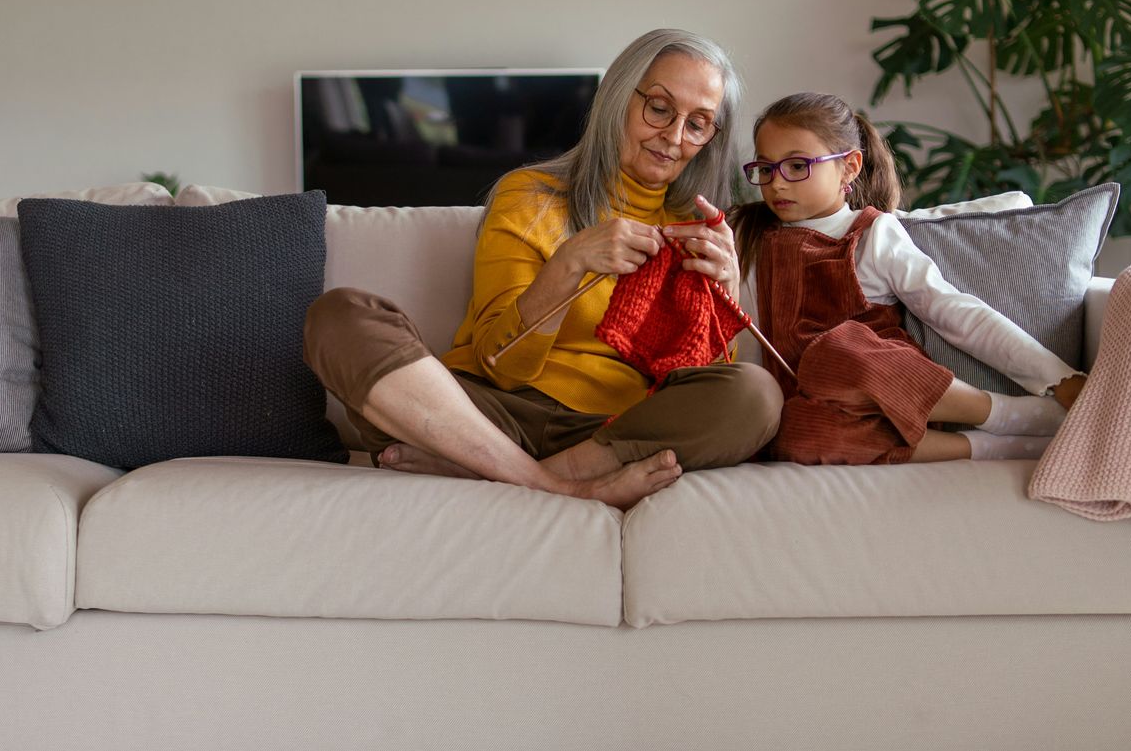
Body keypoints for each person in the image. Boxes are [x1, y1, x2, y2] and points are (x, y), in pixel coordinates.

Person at [304, 29, 784, 509]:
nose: (675, 137)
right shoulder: (530, 195)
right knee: (339, 315)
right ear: (617, 97)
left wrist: (726, 295)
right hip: (484, 412)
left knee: (758, 393)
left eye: (698, 124)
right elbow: (501, 366)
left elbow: (692, 391)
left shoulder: (696, 230)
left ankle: (500, 470)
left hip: (612, 433)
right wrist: (569, 264)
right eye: (659, 108)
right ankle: (547, 484)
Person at [727, 91, 1087, 464]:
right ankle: (997, 448)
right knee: (797, 435)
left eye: (798, 166)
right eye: (766, 169)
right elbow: (746, 335)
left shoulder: (872, 232)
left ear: (849, 167)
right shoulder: (752, 235)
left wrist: (1058, 377)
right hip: (813, 402)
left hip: (882, 386)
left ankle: (1002, 413)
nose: (777, 184)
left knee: (833, 352)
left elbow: (953, 310)